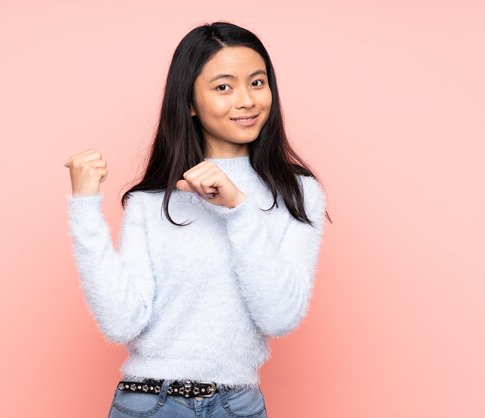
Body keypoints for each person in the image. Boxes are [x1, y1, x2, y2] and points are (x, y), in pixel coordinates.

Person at [64, 21, 331, 418]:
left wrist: (239, 210)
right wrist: (84, 207)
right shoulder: (151, 200)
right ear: (189, 102)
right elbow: (121, 323)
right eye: (224, 87)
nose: (246, 100)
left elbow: (280, 317)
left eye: (257, 83)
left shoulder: (297, 193)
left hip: (236, 405)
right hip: (147, 403)